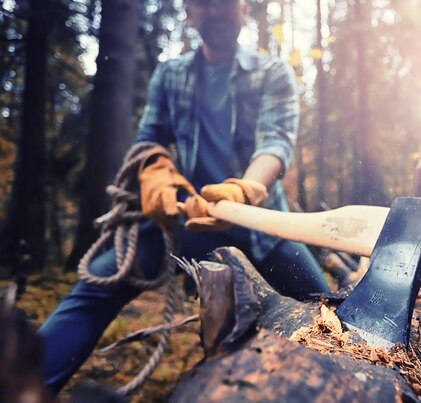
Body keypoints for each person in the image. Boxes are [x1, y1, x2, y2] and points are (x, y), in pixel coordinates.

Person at [38, 0, 330, 394]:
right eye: (203, 4)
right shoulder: (170, 74)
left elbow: (276, 144)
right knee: (98, 285)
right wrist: (156, 174)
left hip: (262, 227)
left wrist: (245, 190)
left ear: (244, 10)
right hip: (182, 224)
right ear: (190, 14)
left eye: (225, 3)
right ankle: (20, 383)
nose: (216, 12)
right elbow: (149, 141)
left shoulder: (272, 72)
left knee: (328, 312)